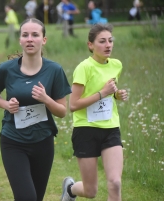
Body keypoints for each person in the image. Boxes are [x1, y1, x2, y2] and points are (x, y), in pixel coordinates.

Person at [0, 18, 71, 201]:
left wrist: (46, 99)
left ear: (44, 39)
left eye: (35, 35)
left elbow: (62, 111)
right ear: (20, 40)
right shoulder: (6, 69)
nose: (30, 39)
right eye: (25, 35)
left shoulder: (54, 70)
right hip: (13, 141)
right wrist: (6, 105)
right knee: (26, 197)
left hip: (43, 142)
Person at [60, 23, 128, 201]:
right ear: (90, 45)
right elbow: (73, 105)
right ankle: (70, 189)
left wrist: (116, 95)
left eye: (110, 41)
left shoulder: (116, 65)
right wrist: (103, 93)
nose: (108, 45)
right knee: (91, 191)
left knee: (115, 182)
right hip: (86, 130)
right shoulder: (84, 68)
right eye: (102, 41)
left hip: (111, 128)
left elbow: (109, 92)